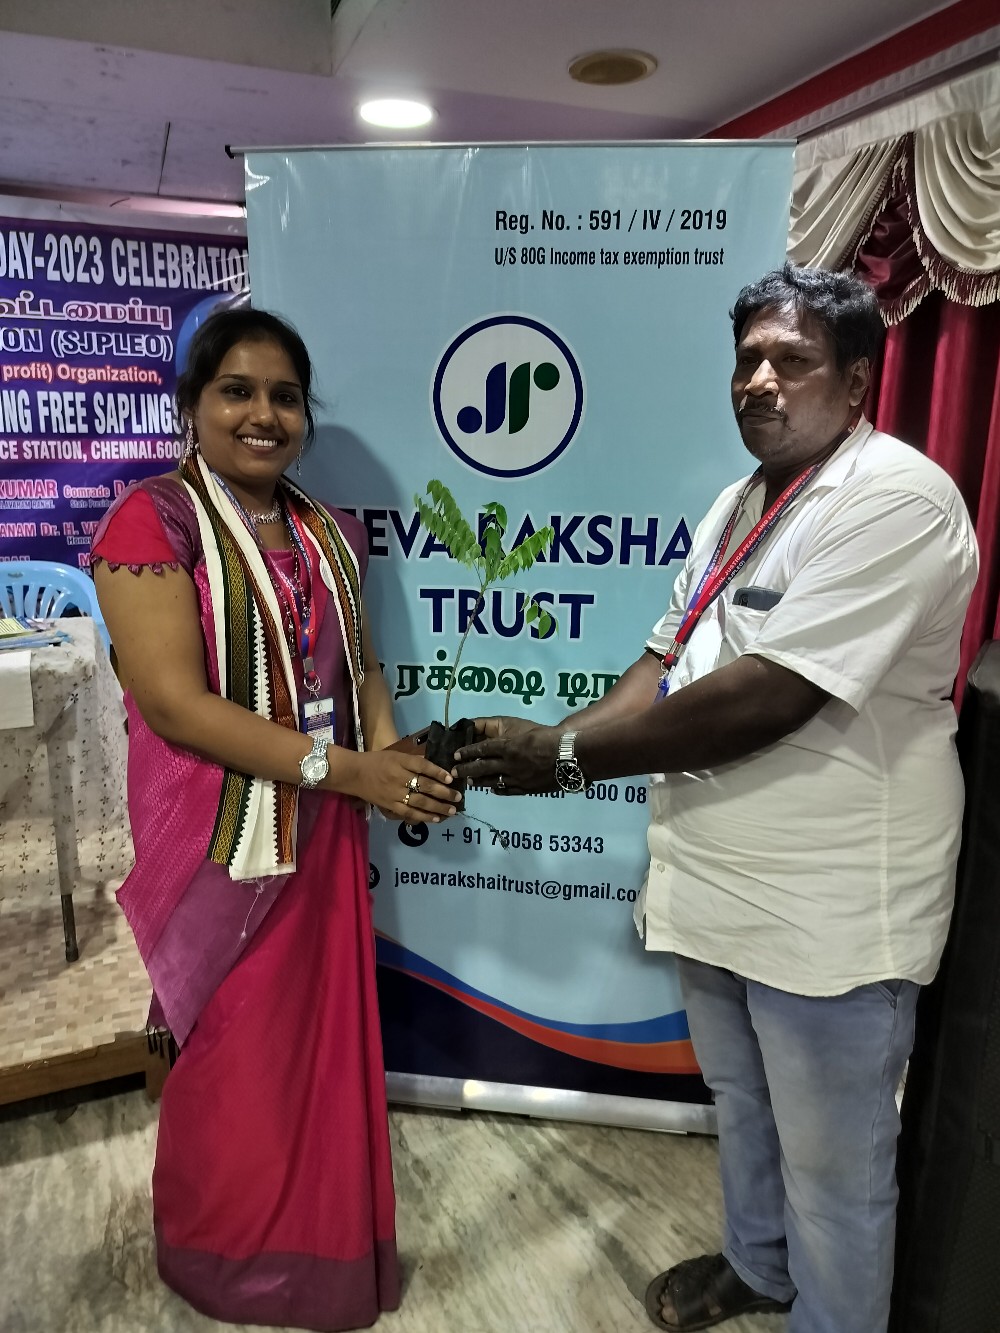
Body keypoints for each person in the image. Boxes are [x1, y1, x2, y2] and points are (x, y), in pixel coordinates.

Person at [454, 264, 978, 1333]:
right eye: (747, 359)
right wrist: (556, 743)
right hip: (712, 877)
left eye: (793, 360)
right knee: (742, 1104)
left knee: (835, 1165)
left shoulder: (897, 500)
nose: (759, 380)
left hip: (829, 905)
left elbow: (767, 695)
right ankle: (758, 1265)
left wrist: (564, 758)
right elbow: (667, 660)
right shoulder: (738, 503)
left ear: (858, 380)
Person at [91, 307, 460, 1332]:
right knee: (234, 1050)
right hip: (222, 836)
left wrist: (390, 759)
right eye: (237, 391)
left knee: (312, 1048)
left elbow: (363, 667)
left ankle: (321, 1258)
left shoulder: (329, 530)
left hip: (324, 822)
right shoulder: (152, 523)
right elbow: (175, 704)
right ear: (192, 404)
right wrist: (351, 770)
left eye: (285, 396)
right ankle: (226, 1258)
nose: (264, 414)